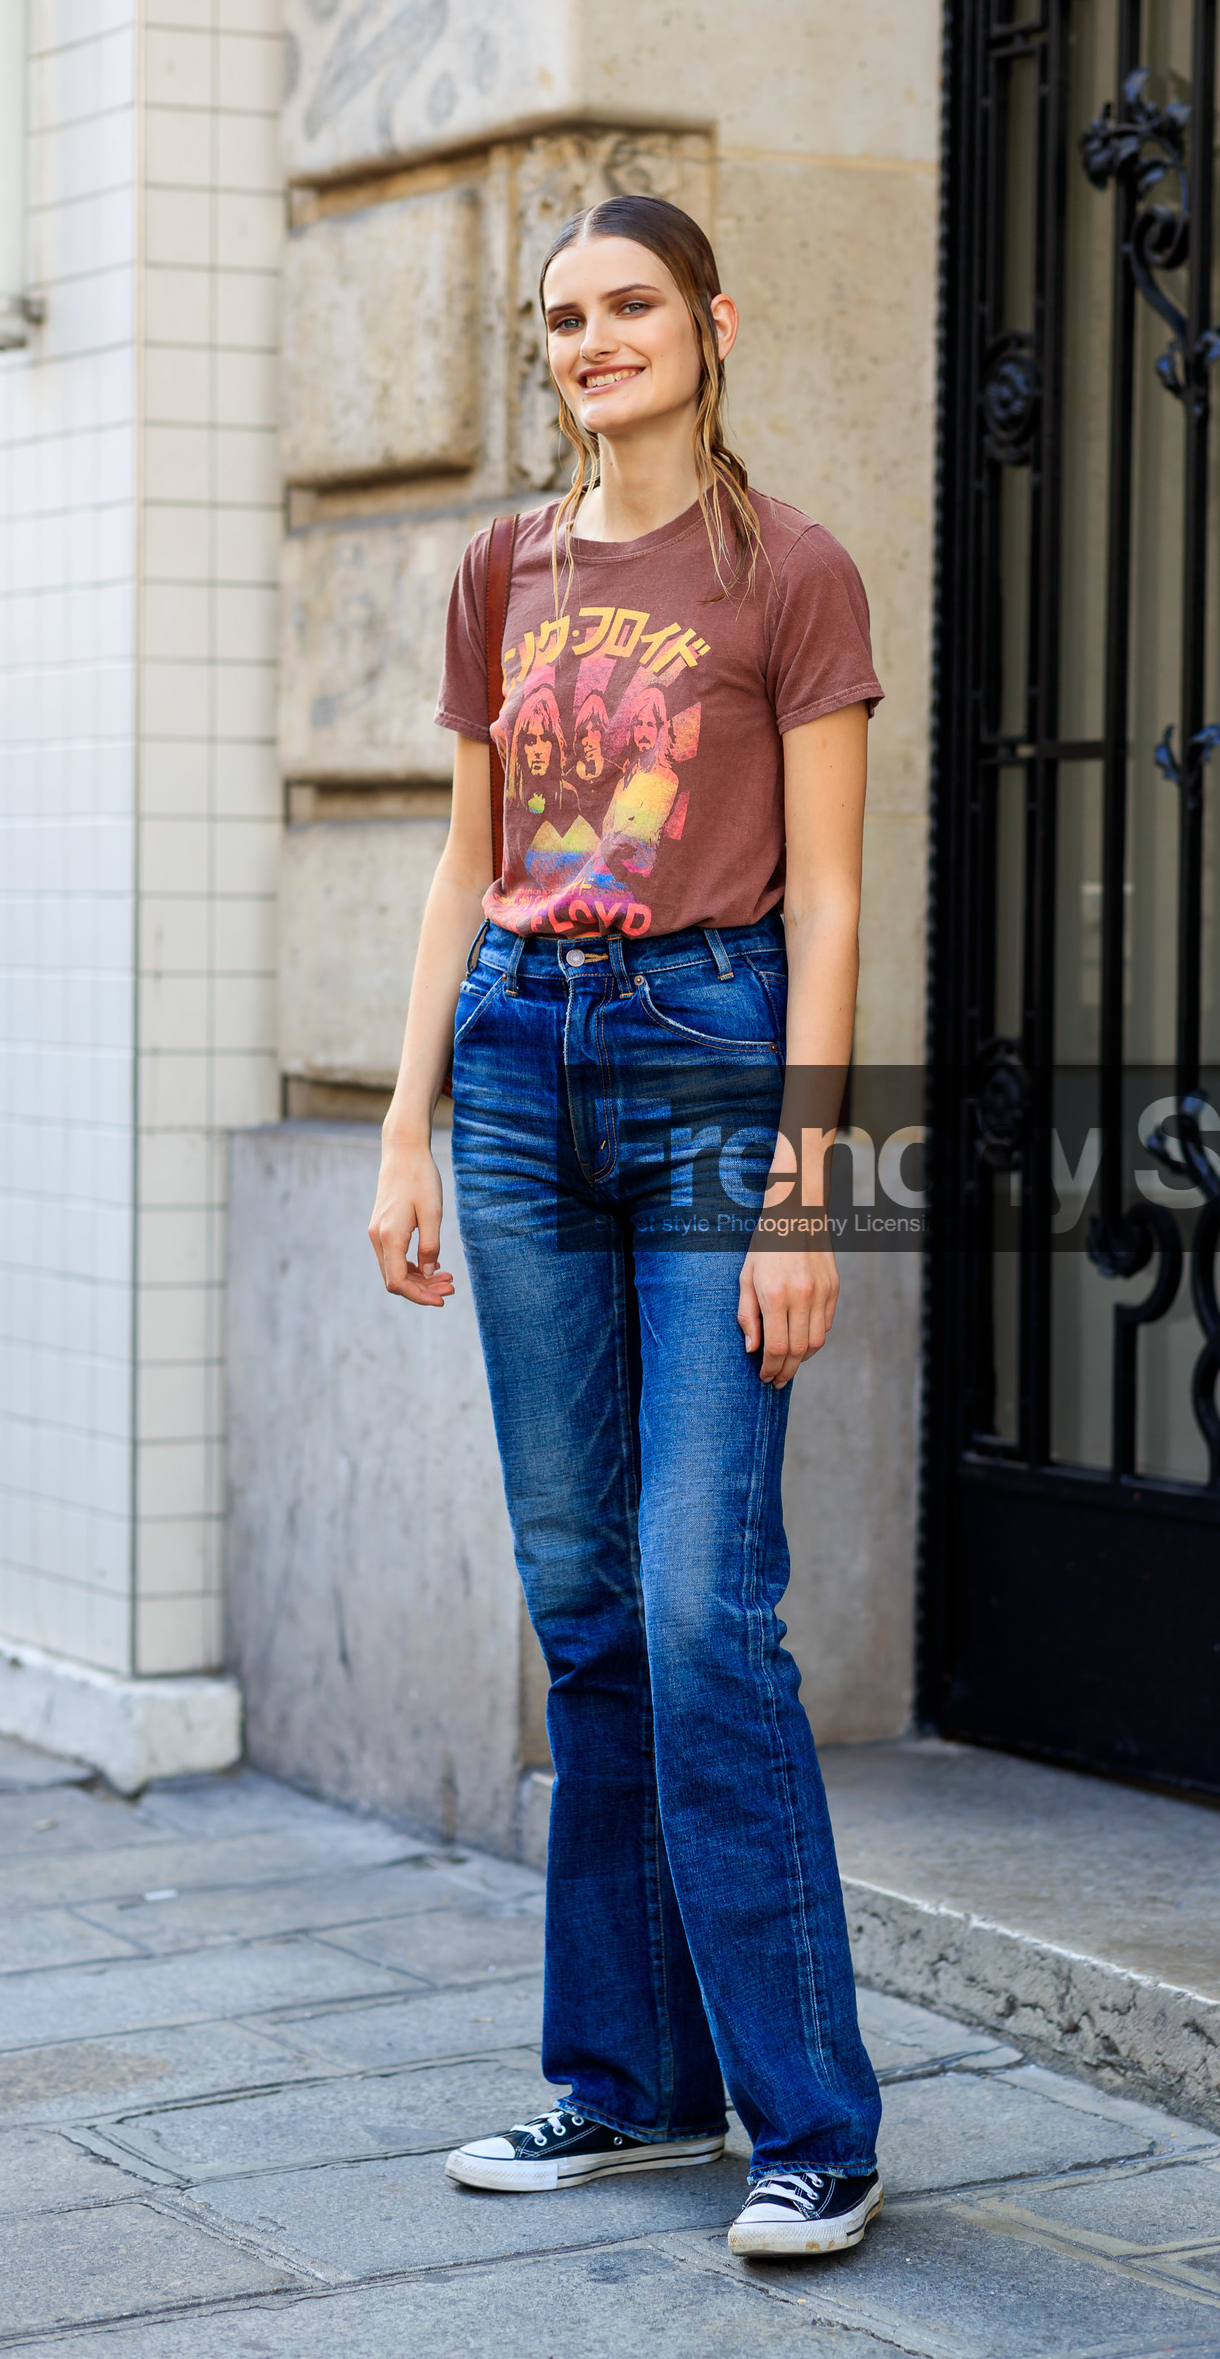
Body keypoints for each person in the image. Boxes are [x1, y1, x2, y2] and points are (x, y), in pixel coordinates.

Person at [369, 194, 885, 2259]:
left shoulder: (794, 572)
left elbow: (833, 900)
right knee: (583, 1613)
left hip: (705, 1065)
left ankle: (811, 2123)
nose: (592, 340)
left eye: (630, 307)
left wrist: (803, 1182)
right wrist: (404, 1127)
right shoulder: (502, 567)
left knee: (699, 1615)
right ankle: (627, 2089)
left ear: (712, 325)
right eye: (564, 315)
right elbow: (457, 866)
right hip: (510, 1065)